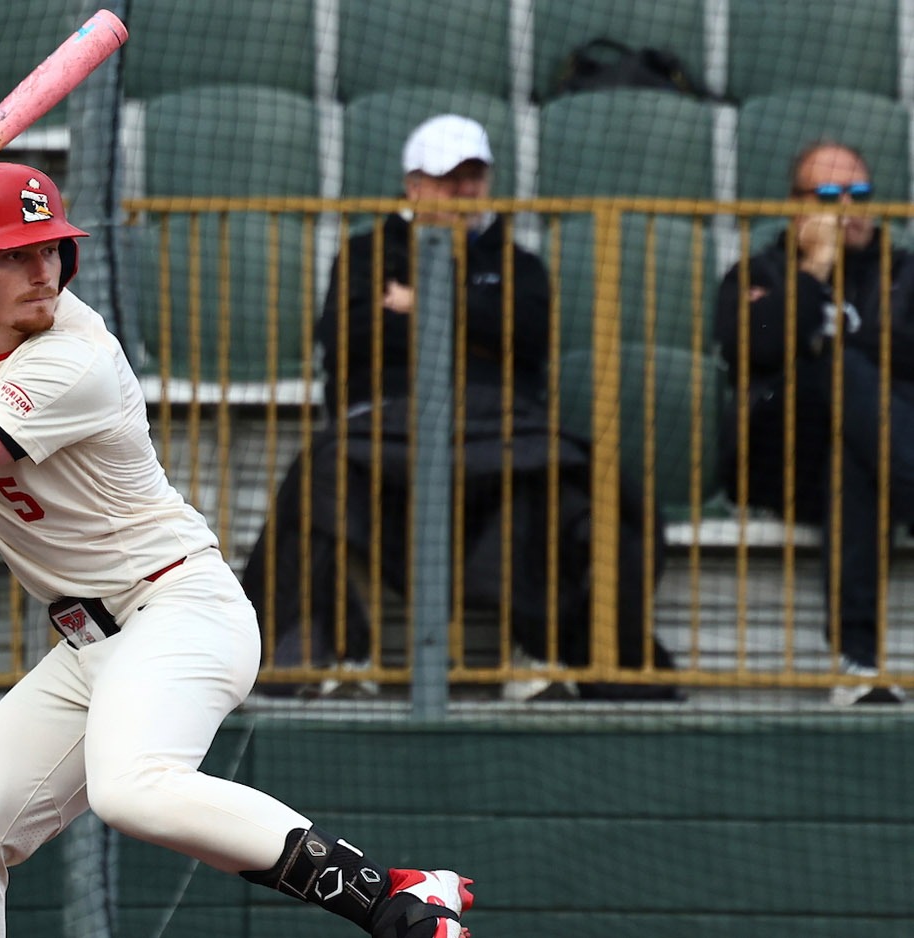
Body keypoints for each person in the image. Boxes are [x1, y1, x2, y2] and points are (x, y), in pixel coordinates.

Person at [0, 162, 475, 937]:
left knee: (131, 789)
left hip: (179, 610)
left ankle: (393, 896)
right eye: (16, 253)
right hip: (91, 644)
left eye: (52, 247)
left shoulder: (73, 357)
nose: (44, 269)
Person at [241, 114, 680, 701]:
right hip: (389, 425)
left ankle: (554, 648)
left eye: (473, 177)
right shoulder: (367, 252)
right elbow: (350, 337)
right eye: (449, 179)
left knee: (578, 492)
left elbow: (525, 333)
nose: (463, 192)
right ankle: (325, 649)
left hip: (501, 427)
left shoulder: (519, 264)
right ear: (415, 184)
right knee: (320, 478)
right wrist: (467, 315)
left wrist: (420, 302)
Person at [714, 139, 910, 705]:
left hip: (866, 458)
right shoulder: (761, 271)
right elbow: (754, 343)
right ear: (796, 205)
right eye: (828, 193)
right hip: (777, 458)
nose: (847, 206)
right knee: (838, 372)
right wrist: (814, 269)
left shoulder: (905, 272)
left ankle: (857, 662)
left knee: (854, 454)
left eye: (859, 192)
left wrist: (834, 340)